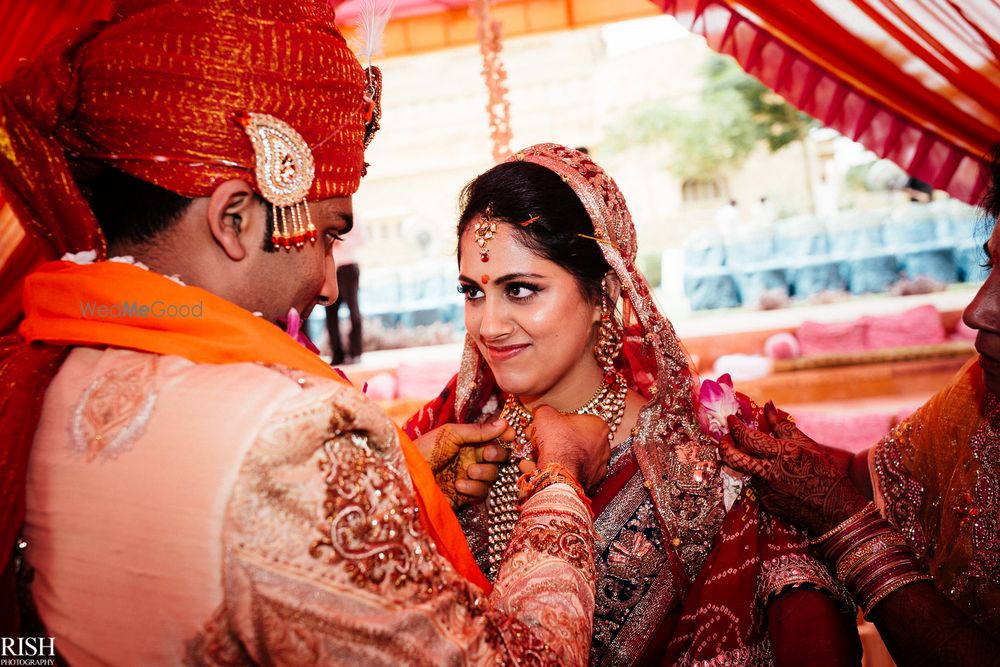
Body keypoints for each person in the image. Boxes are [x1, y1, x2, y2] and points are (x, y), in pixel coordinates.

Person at [0, 2, 611, 663]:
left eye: (522, 289)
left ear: (603, 292)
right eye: (326, 233)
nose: (326, 283)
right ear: (234, 218)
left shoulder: (39, 367)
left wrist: (394, 475)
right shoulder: (289, 436)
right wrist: (559, 478)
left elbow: (22, 647)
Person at [405, 144, 861, 666]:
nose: (488, 325)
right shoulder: (446, 440)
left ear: (603, 295)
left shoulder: (700, 466)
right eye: (473, 292)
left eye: (522, 290)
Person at [721, 144, 1000, 666]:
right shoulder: (983, 394)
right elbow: (872, 475)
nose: (975, 310)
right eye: (989, 265)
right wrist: (729, 421)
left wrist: (843, 523)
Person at [326, 222, 364, 364]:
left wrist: (339, 241)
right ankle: (337, 354)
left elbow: (361, 238)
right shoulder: (325, 216)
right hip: (329, 268)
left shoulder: (351, 215)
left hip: (347, 266)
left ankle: (356, 352)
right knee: (330, 316)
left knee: (354, 313)